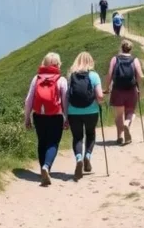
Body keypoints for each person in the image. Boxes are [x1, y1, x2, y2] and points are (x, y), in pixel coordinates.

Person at [24, 52, 68, 186]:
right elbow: (65, 100)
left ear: (44, 63)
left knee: (42, 141)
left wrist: (27, 118)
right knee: (53, 142)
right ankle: (46, 167)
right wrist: (67, 118)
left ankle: (43, 168)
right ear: (58, 64)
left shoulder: (36, 78)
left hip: (38, 116)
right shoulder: (61, 80)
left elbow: (28, 100)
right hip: (55, 116)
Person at [65, 51, 105, 180]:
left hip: (73, 111)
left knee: (77, 137)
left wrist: (65, 115)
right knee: (91, 134)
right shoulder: (94, 75)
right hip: (91, 111)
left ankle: (78, 159)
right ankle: (87, 156)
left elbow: (67, 96)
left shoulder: (71, 76)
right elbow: (99, 95)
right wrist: (101, 101)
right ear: (91, 62)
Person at [105, 40, 143, 145]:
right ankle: (127, 123)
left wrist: (107, 87)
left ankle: (120, 137)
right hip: (131, 90)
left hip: (117, 90)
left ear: (121, 47)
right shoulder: (134, 60)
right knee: (130, 112)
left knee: (118, 115)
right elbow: (140, 75)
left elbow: (109, 74)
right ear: (131, 48)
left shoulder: (115, 59)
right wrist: (138, 86)